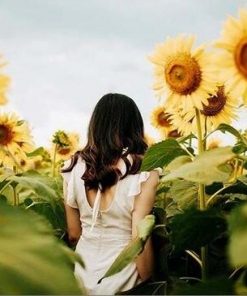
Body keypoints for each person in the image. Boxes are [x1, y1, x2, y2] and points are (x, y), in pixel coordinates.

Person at [61, 93, 161, 295]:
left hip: (82, 277)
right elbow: (138, 240)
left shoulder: (73, 168)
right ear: (134, 126)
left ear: (95, 125)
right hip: (123, 281)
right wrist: (151, 279)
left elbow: (73, 233)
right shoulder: (143, 172)